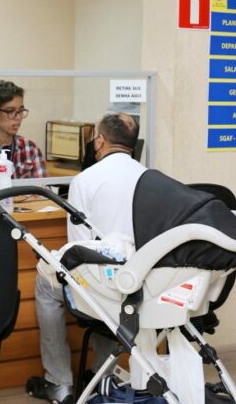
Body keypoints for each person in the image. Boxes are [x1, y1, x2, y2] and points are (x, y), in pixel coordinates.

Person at [27, 112, 146, 404]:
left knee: (47, 284)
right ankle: (102, 374)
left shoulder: (85, 179)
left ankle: (59, 382)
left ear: (100, 141)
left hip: (102, 282)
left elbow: (78, 250)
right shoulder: (150, 178)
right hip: (138, 280)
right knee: (111, 291)